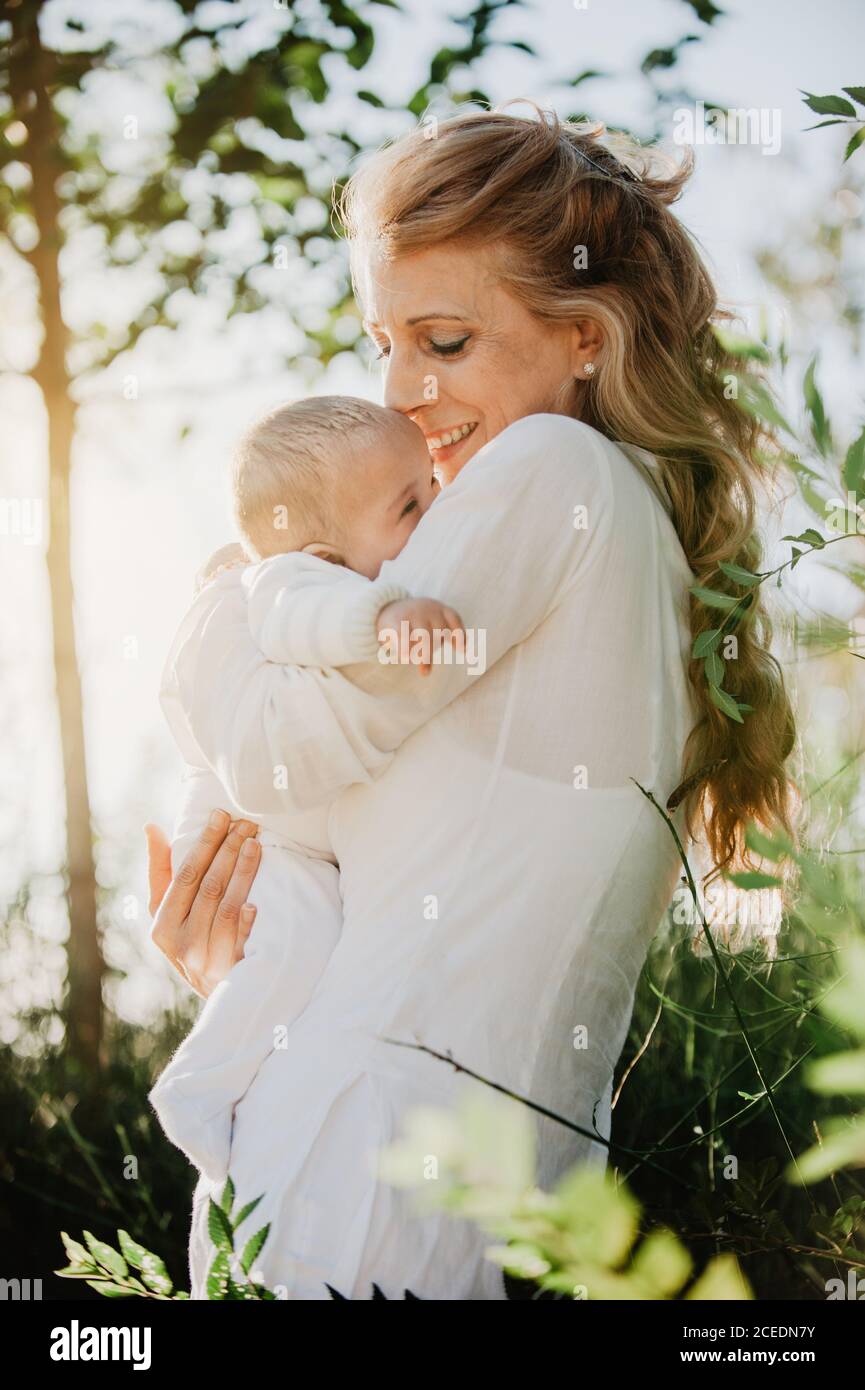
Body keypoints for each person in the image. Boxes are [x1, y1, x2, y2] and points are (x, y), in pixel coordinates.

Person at [146, 107, 796, 1300]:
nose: (398, 392)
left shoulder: (547, 474)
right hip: (487, 1182)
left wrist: (218, 612)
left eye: (443, 340)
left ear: (586, 337)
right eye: (381, 340)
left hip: (367, 1164)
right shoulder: (634, 549)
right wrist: (250, 958)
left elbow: (274, 759)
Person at [149, 396, 464, 1183]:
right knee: (291, 944)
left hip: (282, 836)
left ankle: (240, 1094)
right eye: (408, 504)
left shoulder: (326, 566)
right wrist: (385, 618)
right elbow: (304, 614)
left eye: (430, 486)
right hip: (251, 839)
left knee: (304, 955)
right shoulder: (292, 581)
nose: (437, 509)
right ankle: (198, 1090)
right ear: (325, 553)